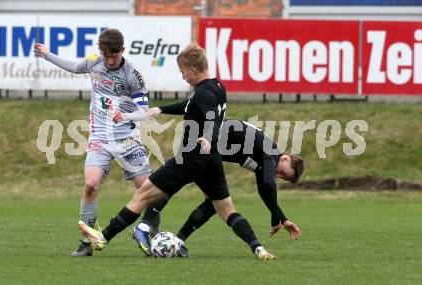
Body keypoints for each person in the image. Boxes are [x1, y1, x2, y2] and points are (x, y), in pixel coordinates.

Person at [78, 43, 277, 260]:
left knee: (143, 194)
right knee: (227, 210)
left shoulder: (203, 95)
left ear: (192, 69)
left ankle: (103, 237)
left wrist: (208, 137)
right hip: (212, 161)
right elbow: (190, 105)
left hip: (189, 158)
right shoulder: (217, 87)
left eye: (183, 71)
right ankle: (258, 248)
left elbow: (210, 118)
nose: (182, 76)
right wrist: (161, 109)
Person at [34, 28, 152, 257]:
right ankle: (87, 241)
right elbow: (72, 66)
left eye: (114, 57)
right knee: (90, 184)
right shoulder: (93, 63)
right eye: (106, 55)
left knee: (149, 190)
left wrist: (126, 116)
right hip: (99, 137)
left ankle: (151, 233)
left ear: (123, 51)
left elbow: (145, 111)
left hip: (127, 140)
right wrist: (48, 54)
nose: (109, 61)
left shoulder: (133, 75)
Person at [133, 120, 304, 257]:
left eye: (284, 178)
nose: (279, 176)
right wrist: (276, 218)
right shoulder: (271, 154)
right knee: (173, 182)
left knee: (213, 202)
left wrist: (282, 218)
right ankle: (144, 227)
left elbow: (264, 189)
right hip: (203, 140)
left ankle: (177, 240)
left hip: (208, 150)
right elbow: (267, 184)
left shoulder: (266, 159)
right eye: (283, 172)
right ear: (285, 158)